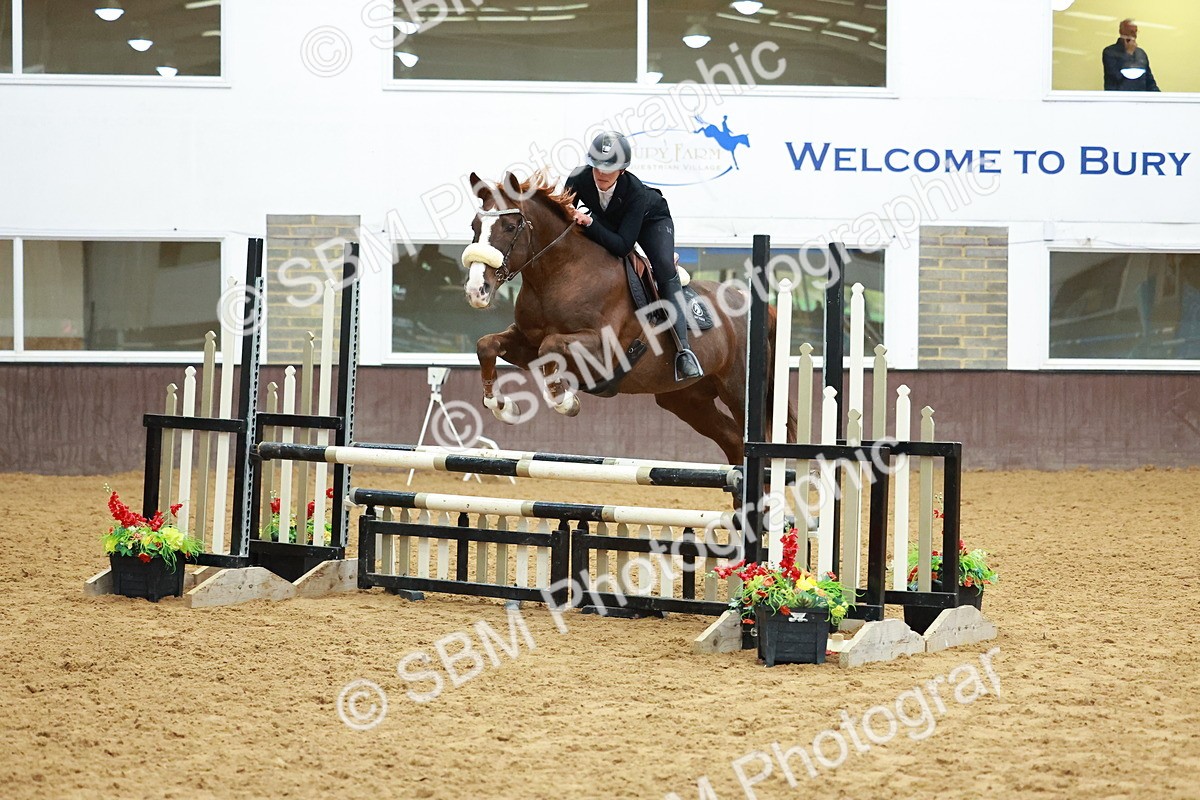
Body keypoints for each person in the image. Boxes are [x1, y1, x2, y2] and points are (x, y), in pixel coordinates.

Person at [564, 131, 703, 381]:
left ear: (623, 170)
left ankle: (684, 351)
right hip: (609, 220)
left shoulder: (636, 192)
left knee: (662, 267)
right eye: (597, 166)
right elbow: (565, 215)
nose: (602, 173)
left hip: (651, 221)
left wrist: (589, 222)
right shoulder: (578, 177)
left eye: (610, 167)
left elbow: (622, 245)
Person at [1102, 18, 1160, 92]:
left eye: (1135, 32)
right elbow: (1116, 76)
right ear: (1121, 32)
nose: (1134, 35)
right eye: (1131, 32)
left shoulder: (1141, 53)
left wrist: (1160, 97)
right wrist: (1129, 54)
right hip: (1118, 99)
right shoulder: (1110, 52)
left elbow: (1149, 80)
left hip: (1140, 98)